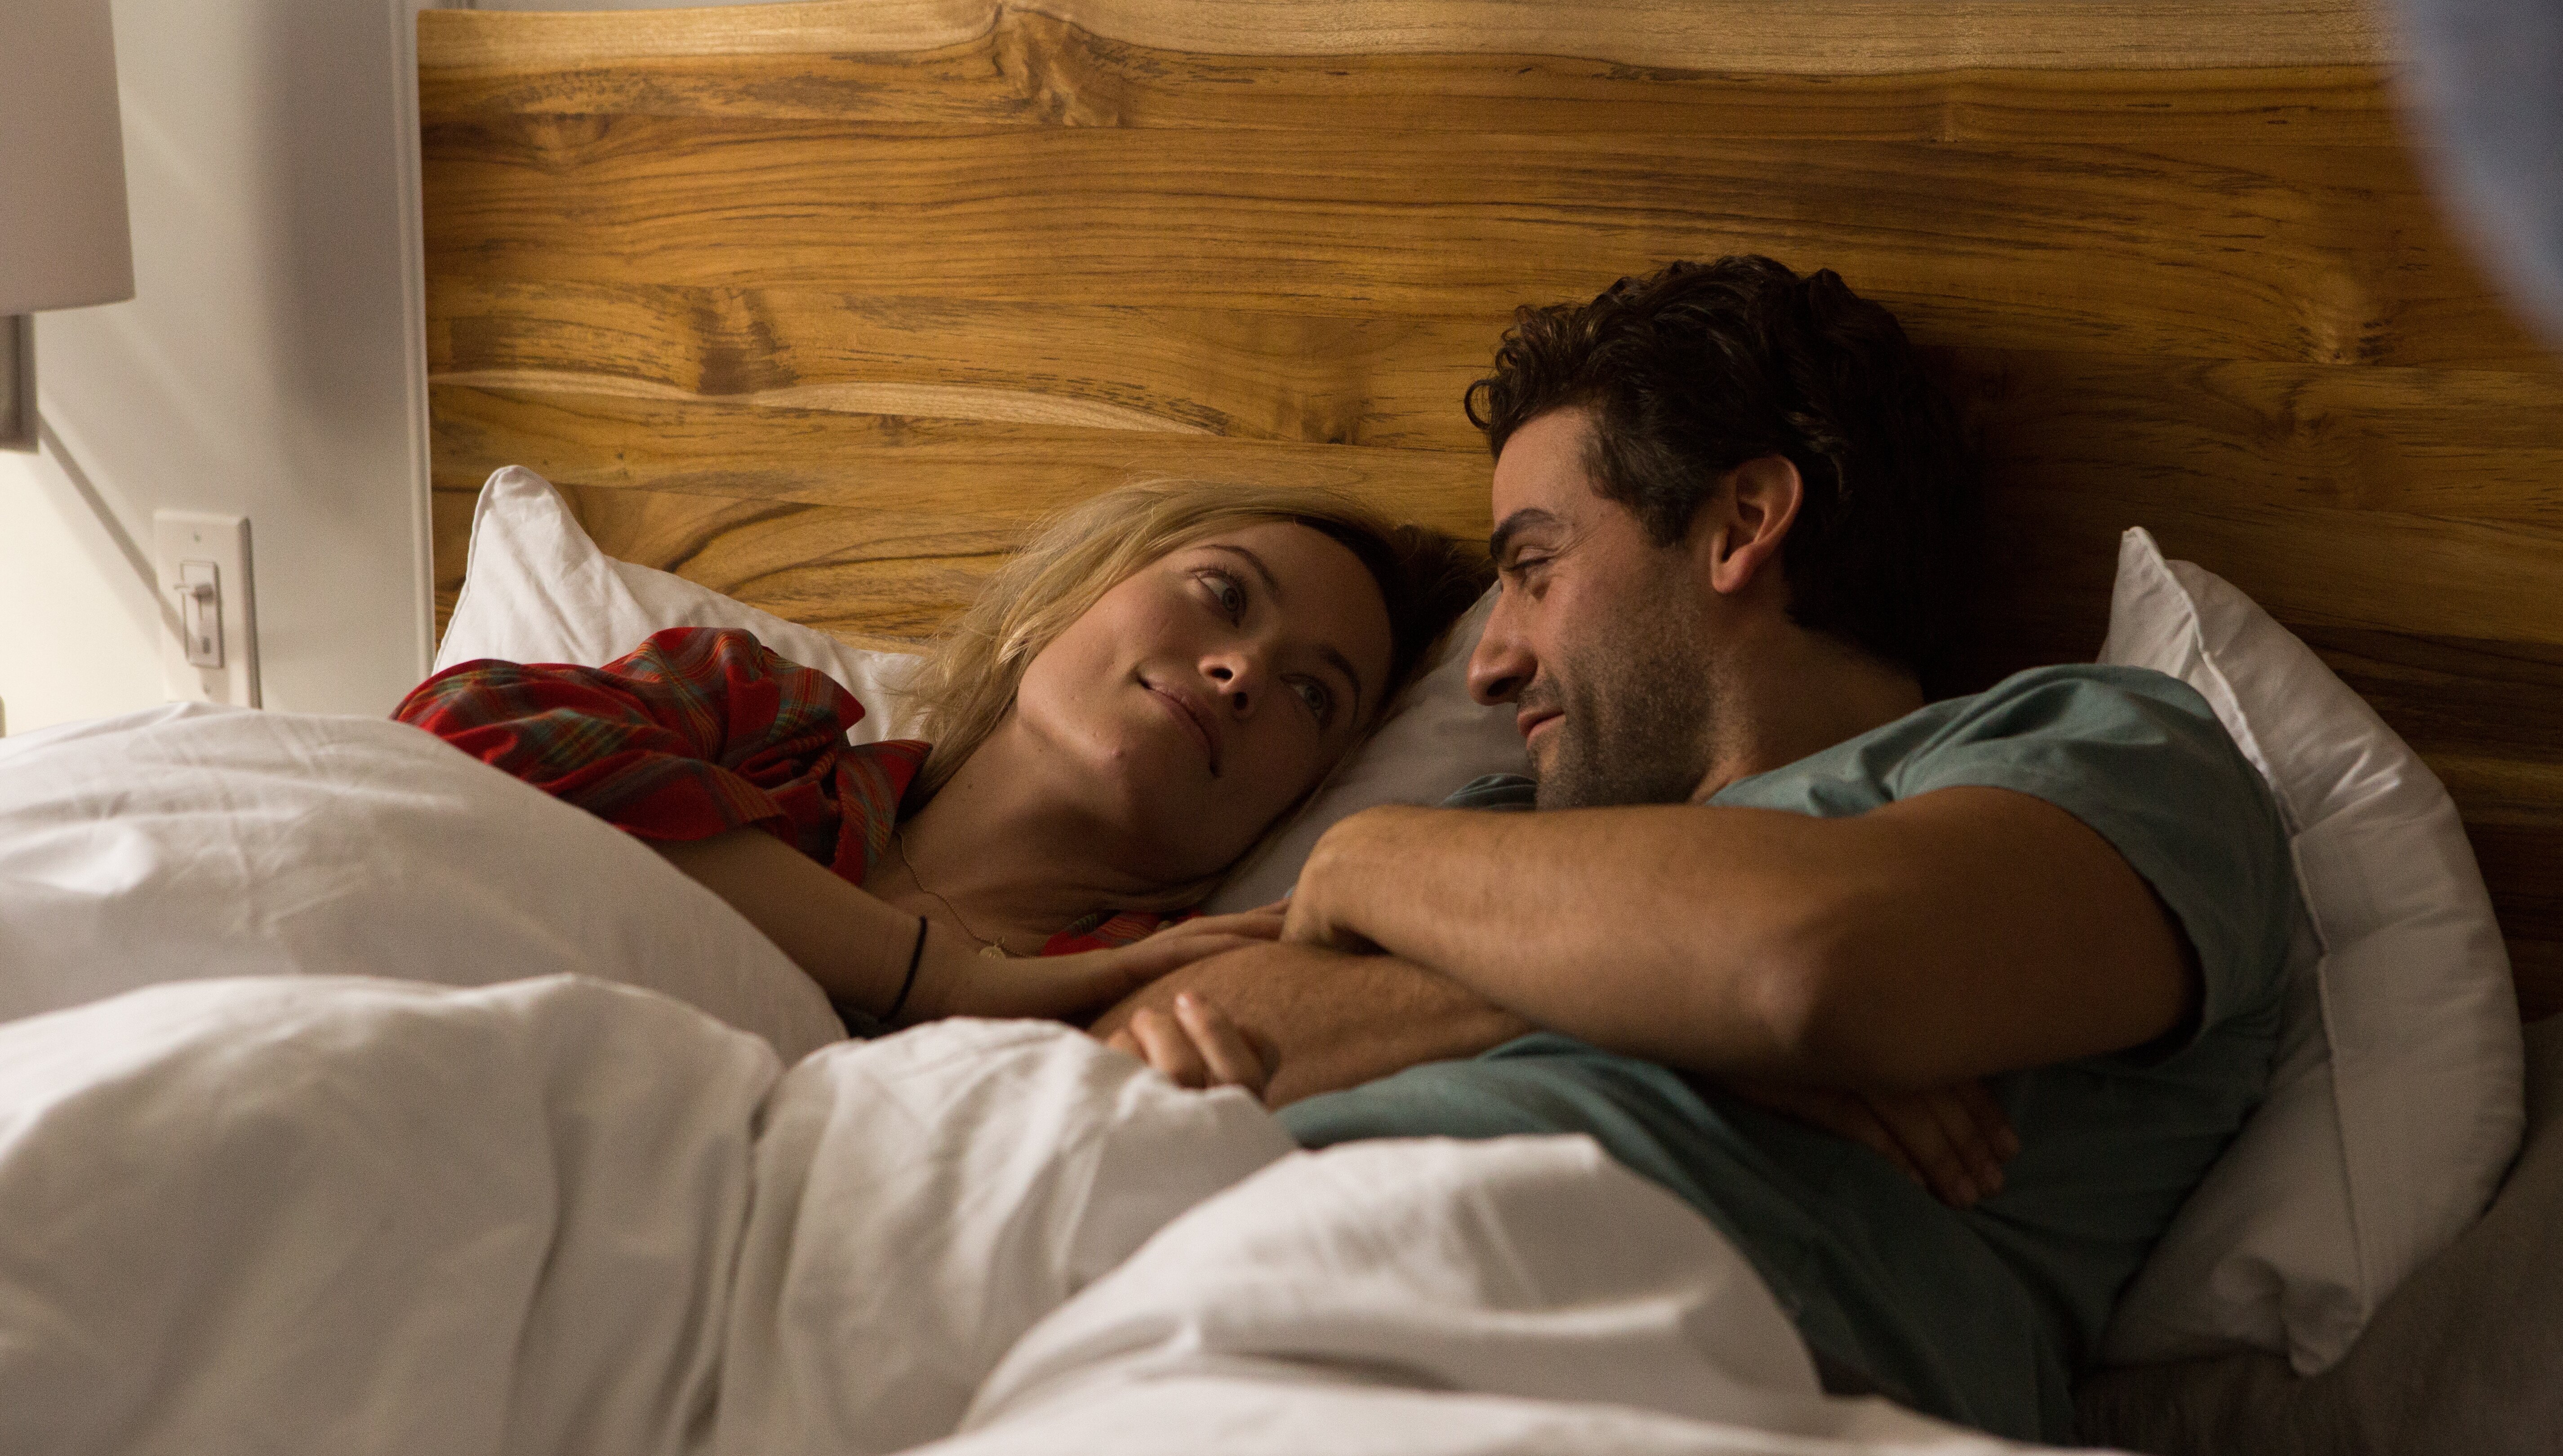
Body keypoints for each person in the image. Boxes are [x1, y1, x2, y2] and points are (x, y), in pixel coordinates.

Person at [1092, 257, 2299, 1443]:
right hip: (1176, 1331)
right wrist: (1659, 993)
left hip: (1622, 1380)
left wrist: (1368, 866)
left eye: (1533, 568)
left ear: (1743, 524)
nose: (1488, 664)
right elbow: (1131, 1059)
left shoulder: (2103, 752)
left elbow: (1813, 964)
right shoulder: (1488, 834)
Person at [396, 481, 1486, 1066]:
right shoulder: (757, 725)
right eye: (1225, 594)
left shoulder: (1136, 1000)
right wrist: (937, 980)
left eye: (1313, 697)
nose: (1242, 670)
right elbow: (466, 725)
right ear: (1062, 604)